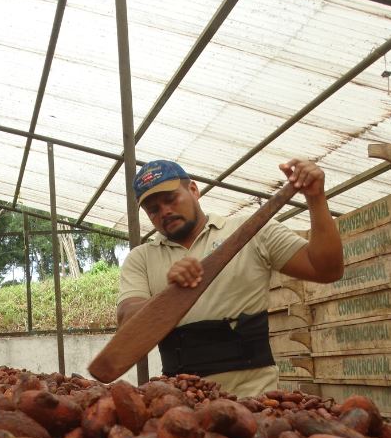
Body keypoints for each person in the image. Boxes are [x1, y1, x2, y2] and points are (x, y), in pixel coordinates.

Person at [116, 159, 344, 398]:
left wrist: (316, 199)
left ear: (193, 190)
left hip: (255, 401)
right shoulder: (140, 258)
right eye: (153, 209)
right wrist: (171, 295)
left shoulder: (252, 231)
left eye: (171, 199)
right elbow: (127, 320)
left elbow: (327, 270)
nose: (164, 211)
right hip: (181, 405)